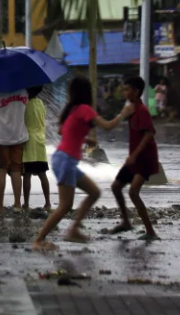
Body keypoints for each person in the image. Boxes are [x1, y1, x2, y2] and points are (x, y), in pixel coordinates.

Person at [33, 77, 127, 251]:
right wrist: (123, 114)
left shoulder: (71, 109)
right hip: (66, 161)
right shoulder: (85, 109)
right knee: (65, 205)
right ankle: (39, 240)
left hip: (62, 158)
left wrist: (84, 139)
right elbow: (107, 126)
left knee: (94, 192)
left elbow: (63, 131)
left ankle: (74, 229)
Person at [107, 75, 160, 240]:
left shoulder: (142, 111)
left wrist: (135, 155)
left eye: (127, 89)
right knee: (116, 187)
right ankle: (126, 221)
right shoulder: (131, 109)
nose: (124, 92)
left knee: (133, 192)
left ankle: (150, 231)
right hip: (134, 159)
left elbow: (149, 134)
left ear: (136, 91)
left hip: (144, 159)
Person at [0, 88, 29, 214]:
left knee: (1, 168)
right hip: (18, 135)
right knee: (16, 169)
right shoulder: (23, 91)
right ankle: (17, 204)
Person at [22, 85, 51, 212]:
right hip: (40, 140)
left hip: (28, 141)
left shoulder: (24, 104)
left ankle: (26, 203)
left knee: (27, 174)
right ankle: (48, 203)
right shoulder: (40, 103)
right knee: (42, 174)